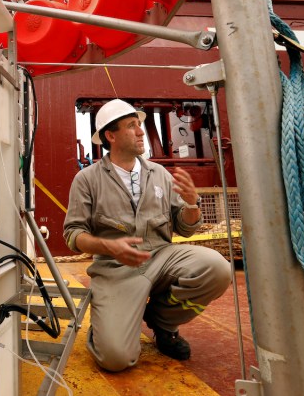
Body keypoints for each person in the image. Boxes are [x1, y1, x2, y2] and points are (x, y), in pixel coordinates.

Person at [64, 99, 231, 372]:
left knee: (217, 269)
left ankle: (162, 321)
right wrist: (108, 246)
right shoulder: (87, 180)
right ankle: (107, 327)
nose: (141, 131)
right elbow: (72, 235)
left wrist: (191, 205)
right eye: (132, 126)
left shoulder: (160, 174)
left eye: (139, 125)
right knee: (116, 359)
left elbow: (185, 228)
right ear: (111, 135)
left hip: (162, 257)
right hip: (116, 269)